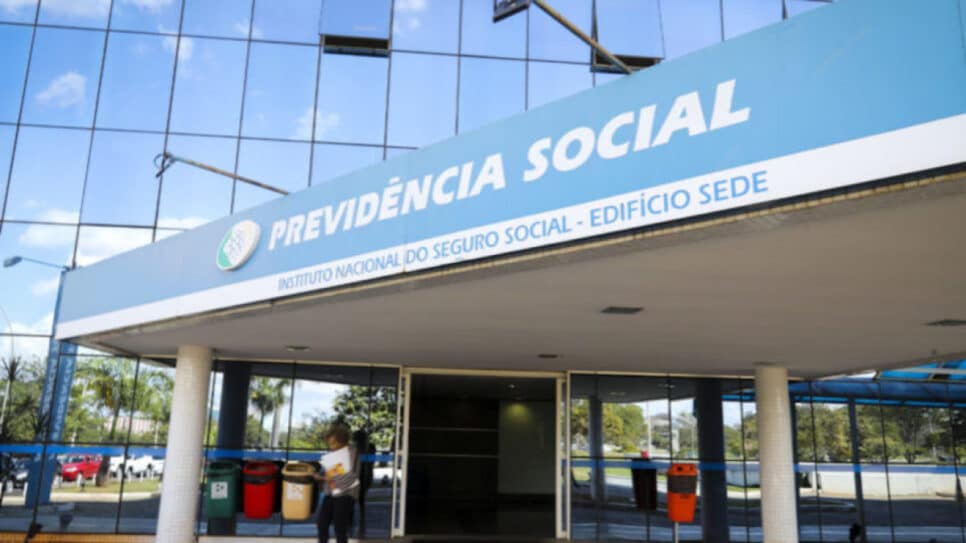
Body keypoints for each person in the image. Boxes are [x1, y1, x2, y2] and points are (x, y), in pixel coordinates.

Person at [315, 423, 359, 543]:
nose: (331, 446)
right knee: (322, 523)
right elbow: (330, 472)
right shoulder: (334, 453)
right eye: (329, 443)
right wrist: (320, 476)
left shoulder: (352, 452)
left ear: (342, 441)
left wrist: (324, 478)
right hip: (331, 493)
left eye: (333, 443)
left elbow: (346, 473)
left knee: (340, 527)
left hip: (346, 494)